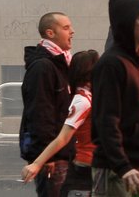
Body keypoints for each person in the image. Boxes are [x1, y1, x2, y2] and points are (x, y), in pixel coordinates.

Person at [90, 0, 139, 197]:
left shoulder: (135, 62)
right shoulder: (111, 65)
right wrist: (123, 166)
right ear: (125, 22)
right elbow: (106, 120)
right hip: (118, 171)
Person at [21, 50, 100, 196]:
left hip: (94, 164)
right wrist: (37, 164)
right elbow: (63, 138)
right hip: (86, 167)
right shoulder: (83, 100)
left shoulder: (91, 96)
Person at [19, 12, 75, 197]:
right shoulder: (43, 67)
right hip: (54, 158)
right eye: (66, 28)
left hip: (62, 154)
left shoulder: (61, 63)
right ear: (50, 33)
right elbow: (40, 114)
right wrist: (47, 156)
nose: (72, 31)